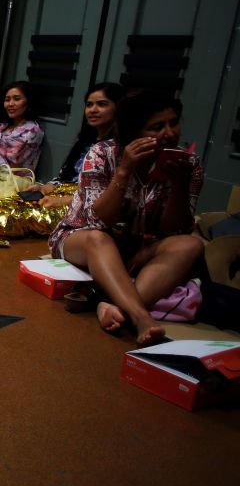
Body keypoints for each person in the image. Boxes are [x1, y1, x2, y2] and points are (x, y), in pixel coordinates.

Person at [48, 89, 204, 346]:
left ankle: (109, 305)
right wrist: (123, 172)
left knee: (191, 245)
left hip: (141, 247)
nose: (170, 132)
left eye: (173, 123)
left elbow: (175, 230)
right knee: (99, 239)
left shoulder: (189, 164)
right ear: (135, 132)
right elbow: (97, 222)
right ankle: (141, 317)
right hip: (83, 239)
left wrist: (179, 184)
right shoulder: (103, 154)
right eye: (157, 127)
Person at [27, 82, 124, 207]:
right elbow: (63, 178)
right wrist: (43, 189)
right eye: (89, 105)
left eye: (101, 104)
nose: (93, 110)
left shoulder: (117, 149)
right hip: (58, 197)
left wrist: (62, 201)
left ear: (118, 108)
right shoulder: (85, 142)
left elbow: (105, 196)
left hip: (82, 209)